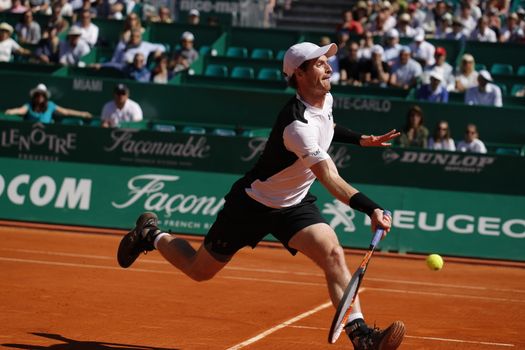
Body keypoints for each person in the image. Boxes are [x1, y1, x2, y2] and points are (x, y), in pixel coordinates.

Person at [116, 41, 406, 350]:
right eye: (321, 64)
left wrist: (360, 140)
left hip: (294, 205)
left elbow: (329, 125)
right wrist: (372, 209)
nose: (329, 68)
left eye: (326, 62)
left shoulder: (325, 99)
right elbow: (329, 177)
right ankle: (151, 234)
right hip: (252, 206)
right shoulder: (296, 126)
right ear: (300, 74)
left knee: (332, 253)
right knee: (199, 270)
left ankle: (361, 337)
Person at [4, 83, 91, 123]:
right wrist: (10, 111)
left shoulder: (50, 105)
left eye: (42, 95)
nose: (40, 97)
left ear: (45, 97)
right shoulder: (29, 105)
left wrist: (82, 114)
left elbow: (66, 112)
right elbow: (20, 110)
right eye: (37, 95)